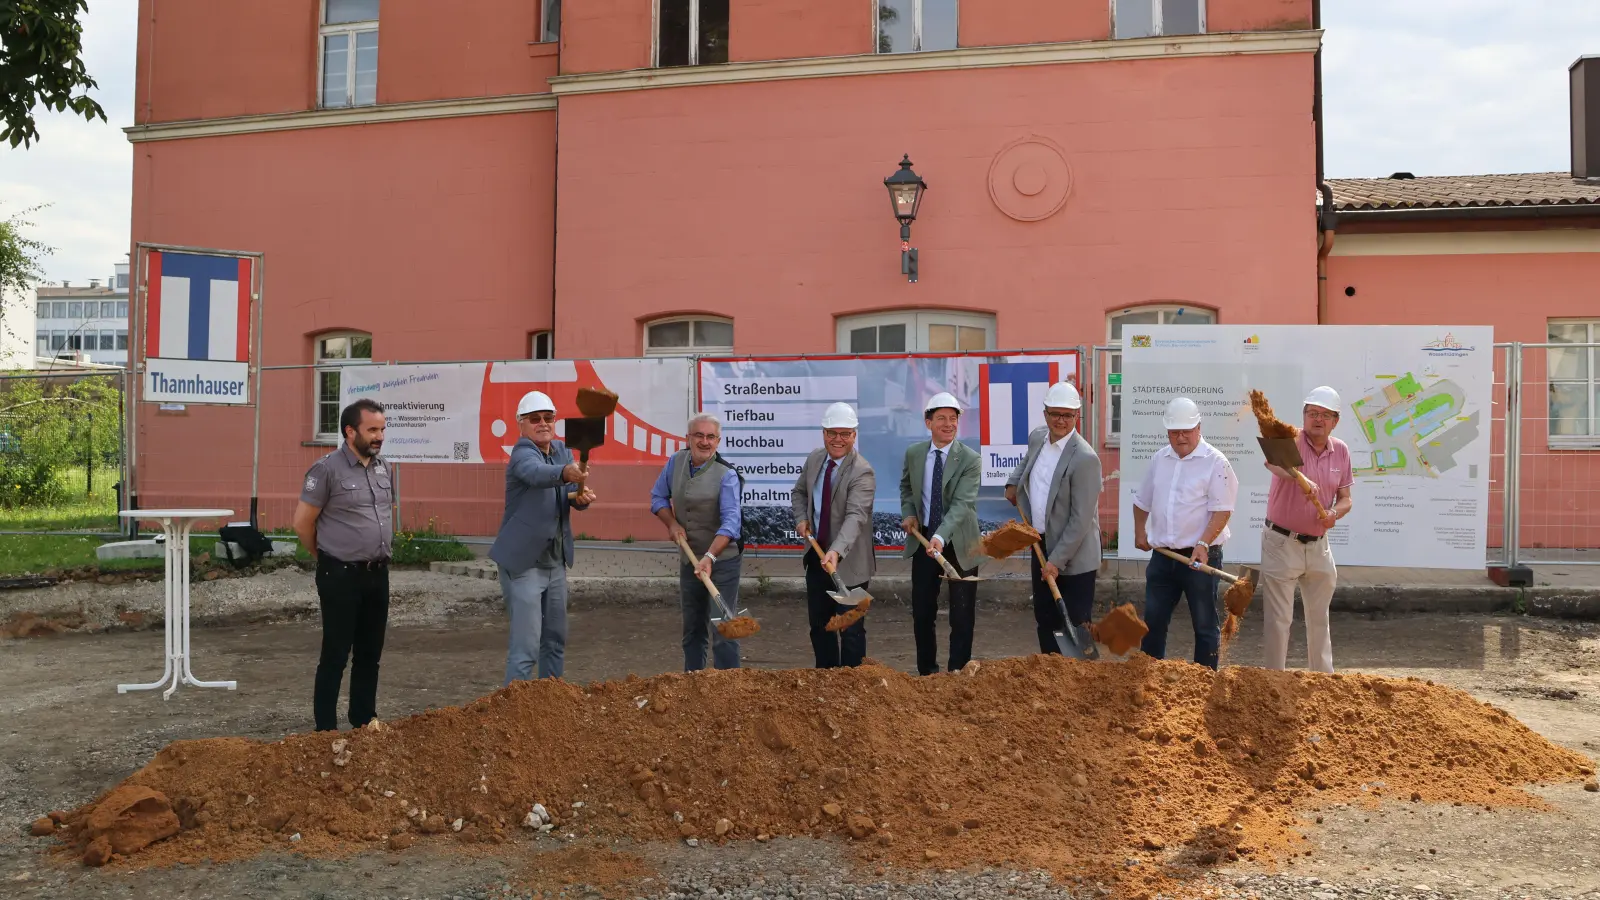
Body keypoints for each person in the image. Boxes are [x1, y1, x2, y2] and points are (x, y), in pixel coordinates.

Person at [294, 398, 393, 732]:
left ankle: (364, 719)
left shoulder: (384, 467)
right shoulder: (326, 470)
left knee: (370, 654)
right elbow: (303, 524)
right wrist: (323, 557)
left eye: (382, 429)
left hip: (377, 574)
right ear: (351, 432)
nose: (379, 436)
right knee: (335, 655)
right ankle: (325, 730)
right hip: (340, 575)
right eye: (372, 430)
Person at [488, 391, 596, 685]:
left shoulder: (561, 450)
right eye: (534, 419)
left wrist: (579, 499)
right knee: (526, 647)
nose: (543, 423)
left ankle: (550, 705)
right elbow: (536, 474)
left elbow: (563, 496)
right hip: (523, 564)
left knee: (555, 640)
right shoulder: (522, 453)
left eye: (548, 418)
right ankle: (515, 713)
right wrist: (565, 472)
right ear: (521, 424)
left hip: (555, 561)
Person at [1132, 397, 1238, 669]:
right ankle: (1148, 675)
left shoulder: (1215, 462)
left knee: (1204, 624)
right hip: (1163, 557)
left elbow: (1222, 510)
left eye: (1186, 431)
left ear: (1199, 427)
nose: (1180, 437)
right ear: (1167, 431)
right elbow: (1142, 501)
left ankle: (1203, 682)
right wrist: (1139, 531)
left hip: (1201, 558)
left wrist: (1203, 543)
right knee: (1153, 621)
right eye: (1174, 432)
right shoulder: (1160, 459)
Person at [1260, 385, 1354, 674]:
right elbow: (1272, 463)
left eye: (1325, 415)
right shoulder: (1290, 440)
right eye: (1313, 413)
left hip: (1319, 546)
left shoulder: (1341, 451)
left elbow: (1346, 498)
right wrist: (1298, 475)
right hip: (1282, 543)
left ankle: (1323, 681)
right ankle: (1274, 682)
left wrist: (1334, 513)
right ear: (1304, 416)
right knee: (1279, 620)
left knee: (1319, 618)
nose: (1318, 419)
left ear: (1335, 421)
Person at [1003, 382, 1102, 654]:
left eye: (1068, 415)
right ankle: (1049, 675)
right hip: (1040, 542)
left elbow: (1081, 520)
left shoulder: (1085, 459)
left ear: (1077, 417)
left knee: (1074, 621)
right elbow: (1026, 462)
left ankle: (1080, 682)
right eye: (1055, 414)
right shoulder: (1038, 437)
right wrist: (1013, 484)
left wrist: (1056, 561)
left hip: (1075, 552)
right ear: (1045, 413)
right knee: (1045, 616)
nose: (1061, 420)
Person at [651, 412, 743, 671]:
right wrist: (672, 523)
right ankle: (693, 684)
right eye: (699, 435)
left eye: (711, 437)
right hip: (689, 559)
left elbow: (731, 524)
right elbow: (657, 498)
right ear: (688, 438)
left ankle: (729, 688)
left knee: (724, 628)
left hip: (721, 563)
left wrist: (710, 557)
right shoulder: (675, 463)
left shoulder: (727, 475)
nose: (705, 442)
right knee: (692, 628)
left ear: (718, 441)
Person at [899, 392, 982, 676]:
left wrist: (941, 536)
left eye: (953, 418)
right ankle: (928, 674)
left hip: (961, 544)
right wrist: (909, 513)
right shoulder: (914, 454)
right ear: (928, 422)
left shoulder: (970, 459)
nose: (949, 424)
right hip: (924, 542)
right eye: (942, 418)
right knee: (922, 611)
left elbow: (962, 505)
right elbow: (907, 488)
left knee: (962, 614)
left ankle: (957, 673)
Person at [790, 401, 876, 668]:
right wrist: (802, 517)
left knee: (851, 631)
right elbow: (799, 493)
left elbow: (856, 517)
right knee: (820, 627)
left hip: (850, 566)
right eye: (832, 433)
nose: (838, 439)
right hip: (817, 559)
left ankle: (852, 688)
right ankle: (826, 682)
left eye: (845, 434)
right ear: (823, 432)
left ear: (854, 435)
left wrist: (836, 551)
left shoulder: (862, 471)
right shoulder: (815, 459)